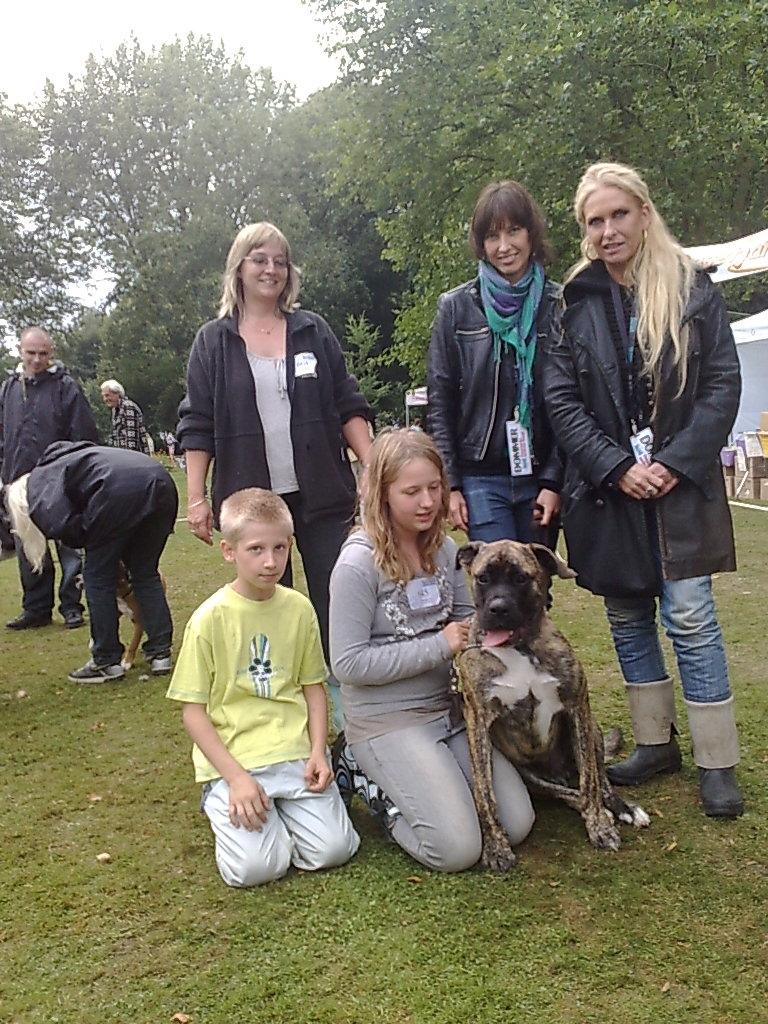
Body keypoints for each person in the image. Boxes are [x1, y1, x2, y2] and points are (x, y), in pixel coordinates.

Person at [543, 161, 744, 818]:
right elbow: (561, 398)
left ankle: (718, 760)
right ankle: (656, 744)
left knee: (691, 616)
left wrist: (675, 462)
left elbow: (721, 388)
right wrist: (614, 465)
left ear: (644, 213)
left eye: (617, 215)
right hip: (609, 493)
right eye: (594, 221)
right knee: (628, 616)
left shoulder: (692, 291)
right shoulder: (573, 299)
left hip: (681, 492)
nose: (607, 230)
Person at [177, 221, 374, 729]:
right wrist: (196, 499)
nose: (270, 269)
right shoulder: (212, 341)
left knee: (341, 602)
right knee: (268, 613)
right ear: (238, 268)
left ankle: (358, 720)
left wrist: (374, 470)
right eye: (259, 259)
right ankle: (285, 724)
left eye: (280, 260)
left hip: (325, 496)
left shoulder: (312, 330)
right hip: (254, 508)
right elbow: (197, 423)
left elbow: (347, 404)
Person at [329, 429, 534, 871]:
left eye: (435, 488)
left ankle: (434, 784)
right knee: (456, 850)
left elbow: (469, 622)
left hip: (449, 713)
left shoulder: (444, 549)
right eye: (411, 492)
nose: (427, 502)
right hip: (386, 722)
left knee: (516, 824)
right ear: (380, 495)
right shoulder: (357, 564)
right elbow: (346, 664)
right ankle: (369, 782)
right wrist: (438, 645)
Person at [166, 488, 359, 888]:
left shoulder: (299, 608)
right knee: (256, 870)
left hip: (293, 754)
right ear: (228, 551)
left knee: (335, 849)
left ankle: (284, 819)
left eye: (280, 548)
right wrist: (234, 778)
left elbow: (313, 687)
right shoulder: (208, 620)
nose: (270, 562)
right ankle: (221, 800)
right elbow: (193, 711)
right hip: (238, 760)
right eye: (255, 549)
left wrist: (319, 750)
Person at [427, 180, 563, 546]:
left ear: (531, 234)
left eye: (513, 231)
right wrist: (450, 484)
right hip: (480, 478)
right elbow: (440, 401)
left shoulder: (560, 306)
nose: (504, 247)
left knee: (534, 590)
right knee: (497, 590)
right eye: (492, 236)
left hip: (540, 478)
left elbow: (572, 403)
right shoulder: (456, 308)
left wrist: (554, 480)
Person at [5, 441, 176, 682]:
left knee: (97, 577)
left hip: (116, 491)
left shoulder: (40, 486)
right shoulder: (75, 460)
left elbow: (64, 525)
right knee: (145, 573)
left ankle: (105, 660)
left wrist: (91, 543)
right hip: (160, 481)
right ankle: (161, 653)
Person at [0, 326, 98, 630]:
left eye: (43, 353)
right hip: (18, 481)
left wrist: (76, 476)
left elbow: (82, 434)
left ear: (51, 353)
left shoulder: (66, 387)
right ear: (20, 350)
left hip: (59, 479)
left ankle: (72, 606)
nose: (37, 359)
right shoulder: (8, 389)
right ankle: (36, 609)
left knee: (69, 545)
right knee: (29, 545)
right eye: (31, 353)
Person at [101, 379, 151, 454]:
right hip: (123, 456)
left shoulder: (128, 406)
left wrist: (128, 459)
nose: (105, 399)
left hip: (135, 458)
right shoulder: (115, 410)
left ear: (117, 394)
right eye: (103, 396)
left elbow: (131, 438)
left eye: (107, 395)